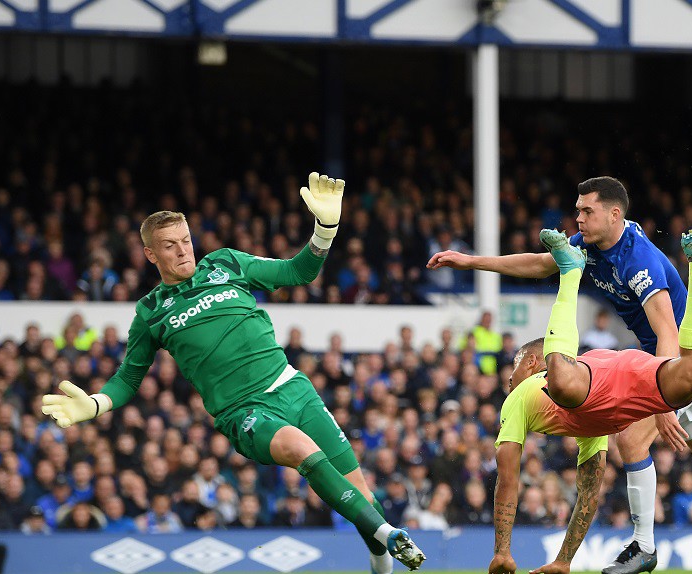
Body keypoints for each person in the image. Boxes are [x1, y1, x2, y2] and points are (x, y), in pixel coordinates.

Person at [429, 177, 692, 572]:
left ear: (614, 213)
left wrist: (664, 405)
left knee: (632, 439)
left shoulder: (639, 259)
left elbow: (668, 330)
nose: (578, 218)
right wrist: (471, 261)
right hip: (658, 361)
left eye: (588, 211)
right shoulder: (590, 244)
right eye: (579, 209)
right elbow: (539, 263)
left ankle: (644, 546)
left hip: (683, 360)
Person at [42, 172, 425, 572]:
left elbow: (299, 272)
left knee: (362, 494)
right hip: (244, 412)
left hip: (293, 387)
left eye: (186, 240)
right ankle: (389, 535)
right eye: (169, 246)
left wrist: (325, 229)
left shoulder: (226, 263)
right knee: (300, 449)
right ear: (150, 255)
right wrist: (98, 404)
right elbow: (128, 378)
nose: (182, 251)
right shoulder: (151, 311)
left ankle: (381, 557)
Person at [489, 227, 692, 574]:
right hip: (615, 387)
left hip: (602, 377)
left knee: (563, 385)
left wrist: (503, 551)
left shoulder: (520, 394)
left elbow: (507, 479)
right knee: (690, 378)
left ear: (530, 364)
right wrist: (563, 561)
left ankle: (570, 275)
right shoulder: (589, 428)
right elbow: (588, 494)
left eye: (512, 371)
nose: (508, 381)